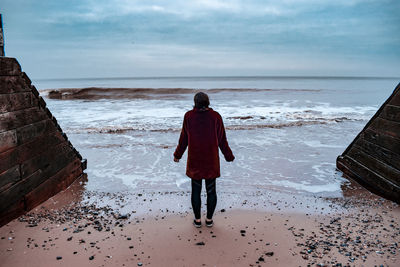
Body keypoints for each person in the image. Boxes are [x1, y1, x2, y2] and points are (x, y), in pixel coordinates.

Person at [173, 92, 235, 228]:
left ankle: (197, 220)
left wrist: (178, 155)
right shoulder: (216, 117)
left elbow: (183, 138)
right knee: (211, 190)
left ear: (195, 103)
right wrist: (228, 155)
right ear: (208, 102)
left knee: (196, 190)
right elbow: (222, 139)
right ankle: (209, 220)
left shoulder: (189, 116)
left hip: (195, 159)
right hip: (211, 160)